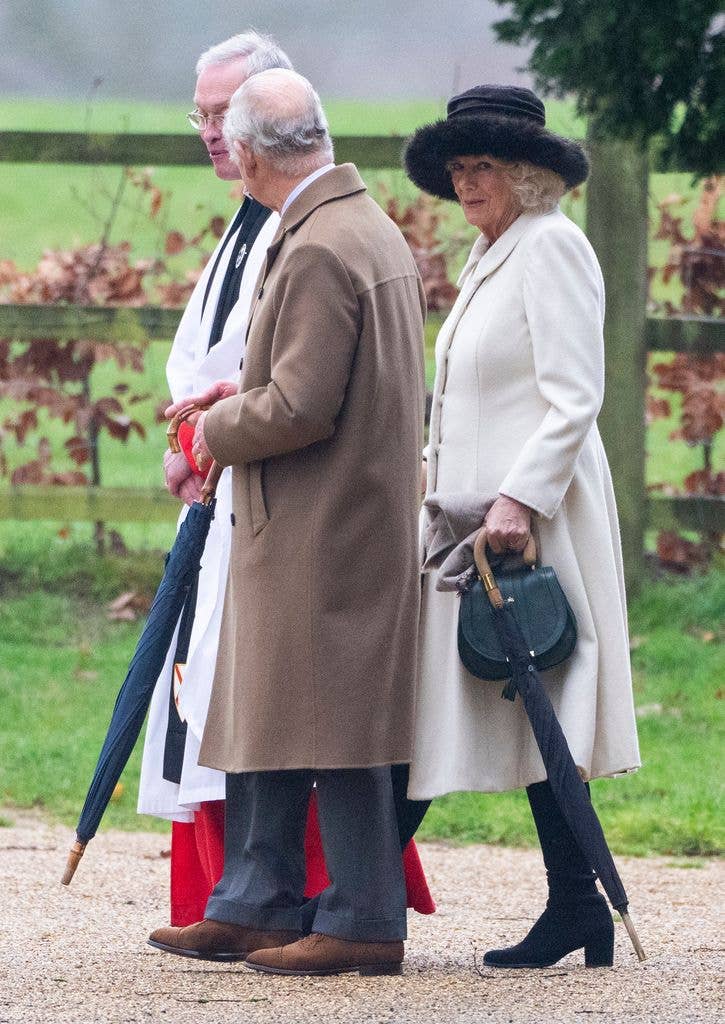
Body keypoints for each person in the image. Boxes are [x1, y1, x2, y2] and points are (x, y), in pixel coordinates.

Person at [138, 36, 433, 931]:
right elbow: (310, 377)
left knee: (333, 727)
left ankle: (359, 918)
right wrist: (244, 391)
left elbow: (302, 407)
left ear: (260, 152)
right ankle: (256, 896)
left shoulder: (313, 246)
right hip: (327, 515)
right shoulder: (354, 224)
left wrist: (206, 428)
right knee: (271, 710)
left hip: (322, 519)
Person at [403, 85, 641, 969]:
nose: (466, 183)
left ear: (529, 175)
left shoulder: (552, 248)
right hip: (471, 517)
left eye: (484, 167)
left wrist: (517, 499)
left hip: (534, 518)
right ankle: (572, 905)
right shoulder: (487, 253)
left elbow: (575, 393)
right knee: (506, 697)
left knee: (538, 694)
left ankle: (361, 893)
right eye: (457, 168)